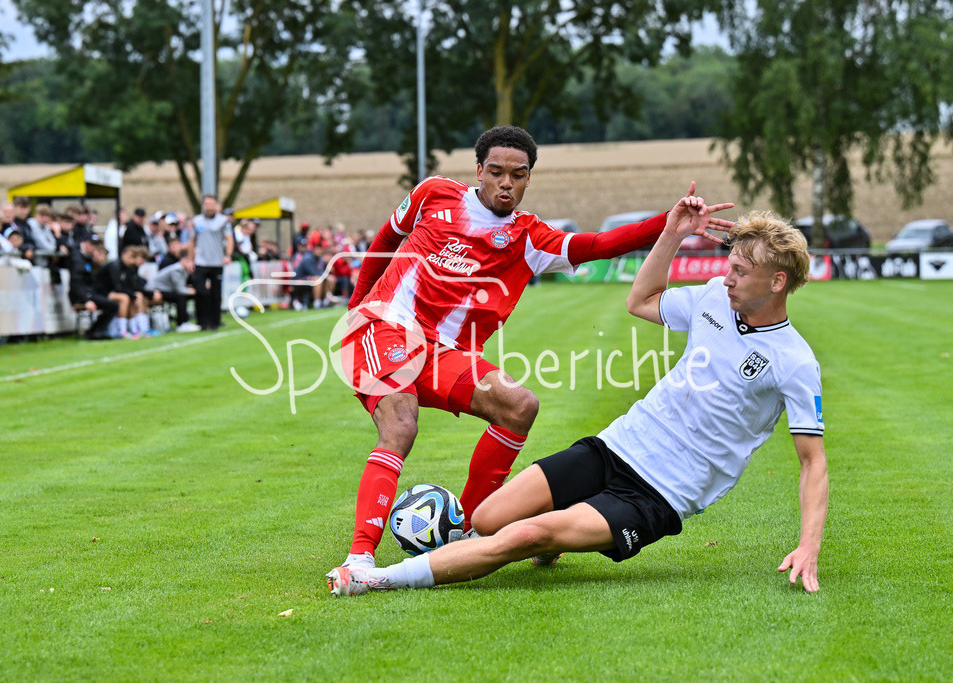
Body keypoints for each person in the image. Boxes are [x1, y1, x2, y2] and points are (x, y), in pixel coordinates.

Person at [327, 205, 830, 597]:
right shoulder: (712, 300)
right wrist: (672, 233)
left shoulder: (795, 361)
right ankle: (553, 535)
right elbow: (641, 301)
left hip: (659, 494)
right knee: (483, 519)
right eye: (729, 266)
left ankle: (381, 578)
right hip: (614, 447)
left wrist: (809, 545)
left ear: (778, 282)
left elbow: (813, 463)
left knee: (523, 537)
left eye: (740, 272)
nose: (727, 278)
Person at [332, 125, 735, 572]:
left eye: (519, 175)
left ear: (529, 178)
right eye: (498, 172)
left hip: (444, 351)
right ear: (479, 170)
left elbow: (599, 245)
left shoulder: (529, 237)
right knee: (400, 426)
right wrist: (357, 306)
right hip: (383, 326)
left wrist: (669, 222)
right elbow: (387, 239)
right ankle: (359, 558)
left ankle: (466, 529)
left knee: (519, 406)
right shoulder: (434, 194)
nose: (507, 183)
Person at [189, 194, 234, 331]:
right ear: (203, 205)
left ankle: (215, 321)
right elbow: (192, 241)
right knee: (201, 292)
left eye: (211, 204)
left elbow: (229, 238)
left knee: (215, 293)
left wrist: (228, 255)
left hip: (216, 262)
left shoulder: (222, 221)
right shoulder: (197, 221)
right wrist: (191, 260)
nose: (209, 207)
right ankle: (202, 321)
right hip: (201, 261)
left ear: (216, 205)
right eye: (207, 204)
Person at [67, 235, 120, 340]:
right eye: (93, 245)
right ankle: (96, 331)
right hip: (82, 295)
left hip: (90, 293)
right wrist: (86, 300)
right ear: (86, 243)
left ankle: (95, 331)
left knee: (113, 304)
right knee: (112, 306)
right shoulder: (78, 259)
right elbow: (76, 284)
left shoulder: (88, 259)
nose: (94, 248)